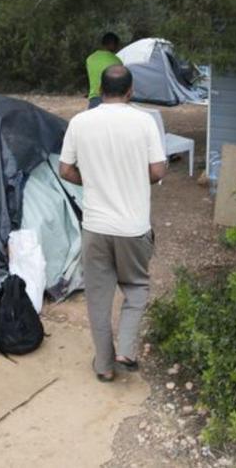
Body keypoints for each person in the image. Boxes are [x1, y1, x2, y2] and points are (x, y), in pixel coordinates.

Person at [59, 65, 166, 382]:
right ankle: (127, 350)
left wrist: (90, 181)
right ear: (130, 91)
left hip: (95, 226)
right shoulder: (144, 121)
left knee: (98, 296)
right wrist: (134, 177)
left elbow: (65, 170)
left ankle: (104, 366)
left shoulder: (80, 122)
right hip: (133, 227)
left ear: (100, 89)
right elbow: (159, 171)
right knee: (136, 287)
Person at [85, 32, 122, 109]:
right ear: (112, 44)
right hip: (110, 99)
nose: (117, 48)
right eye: (117, 45)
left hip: (93, 99)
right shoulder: (117, 60)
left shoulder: (90, 58)